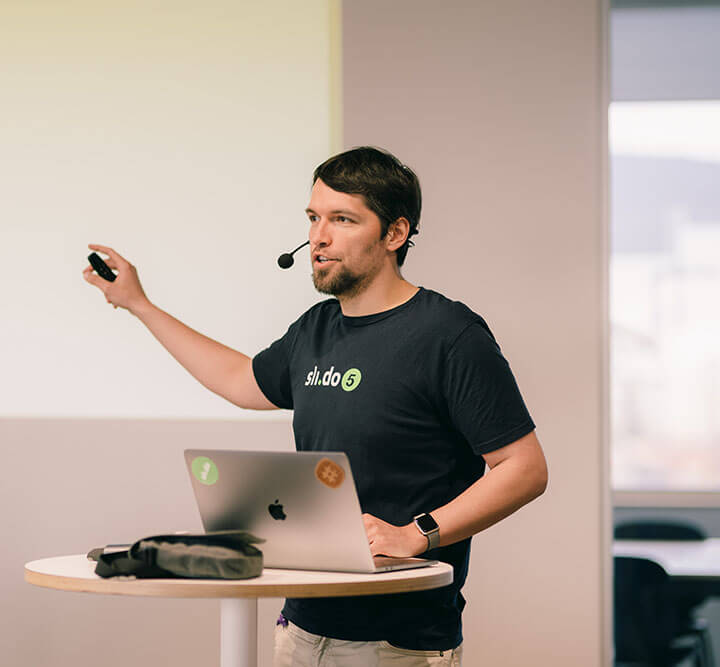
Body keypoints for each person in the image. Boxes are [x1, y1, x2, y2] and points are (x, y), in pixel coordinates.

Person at [82, 146, 548, 666]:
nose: (318, 237)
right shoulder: (315, 329)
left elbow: (525, 468)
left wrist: (417, 534)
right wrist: (139, 305)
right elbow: (240, 380)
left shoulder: (448, 334)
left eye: (342, 219)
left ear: (395, 234)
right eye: (313, 218)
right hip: (302, 630)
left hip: (400, 643)